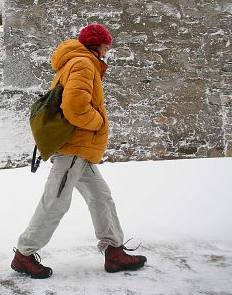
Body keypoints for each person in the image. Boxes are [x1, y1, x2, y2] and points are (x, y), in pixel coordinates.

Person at [11, 24, 147, 279]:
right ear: (97, 45)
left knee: (101, 197)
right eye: (106, 46)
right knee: (55, 202)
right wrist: (99, 122)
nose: (108, 51)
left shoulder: (78, 62)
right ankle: (24, 255)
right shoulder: (84, 64)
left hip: (80, 151)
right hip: (74, 149)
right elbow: (74, 106)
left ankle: (114, 252)